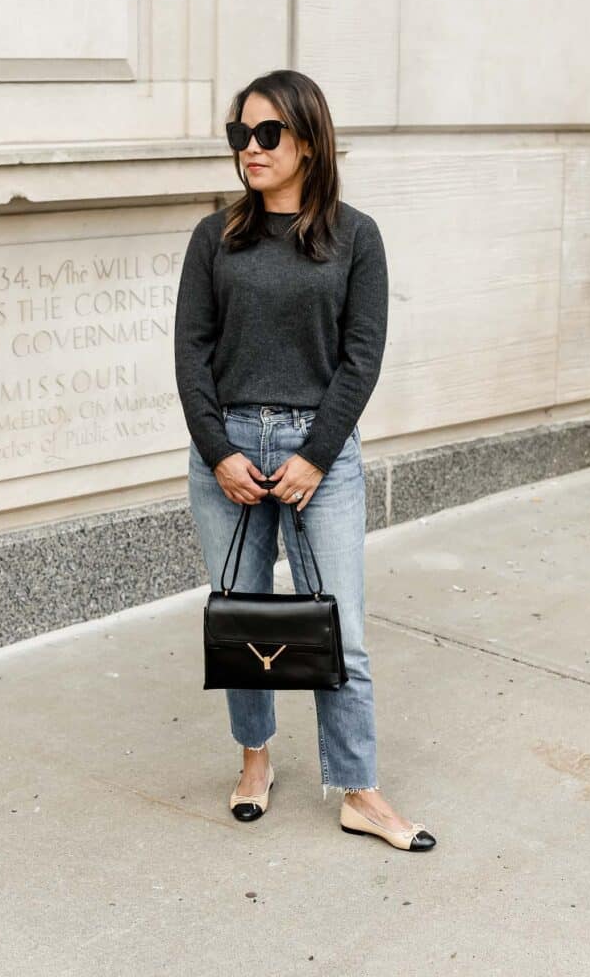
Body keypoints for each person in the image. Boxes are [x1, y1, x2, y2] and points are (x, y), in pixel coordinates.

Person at [174, 69, 436, 852]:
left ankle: (358, 789)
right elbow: (190, 355)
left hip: (318, 453)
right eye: (239, 136)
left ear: (310, 142)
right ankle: (256, 762)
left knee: (341, 629)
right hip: (227, 455)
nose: (249, 150)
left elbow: (362, 357)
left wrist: (316, 456)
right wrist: (218, 452)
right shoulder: (215, 237)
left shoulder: (357, 237)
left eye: (267, 134)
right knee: (245, 617)